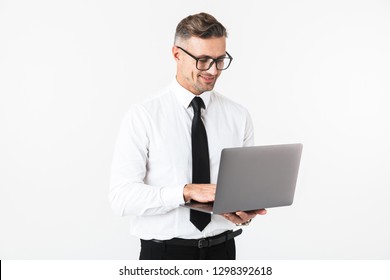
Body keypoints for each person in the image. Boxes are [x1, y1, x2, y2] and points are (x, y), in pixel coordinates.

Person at [109, 12, 267, 260]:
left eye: (220, 59)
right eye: (203, 60)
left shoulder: (239, 116)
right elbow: (121, 198)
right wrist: (185, 191)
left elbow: (241, 192)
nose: (213, 71)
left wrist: (244, 215)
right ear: (177, 54)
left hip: (223, 252)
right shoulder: (143, 116)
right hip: (163, 255)